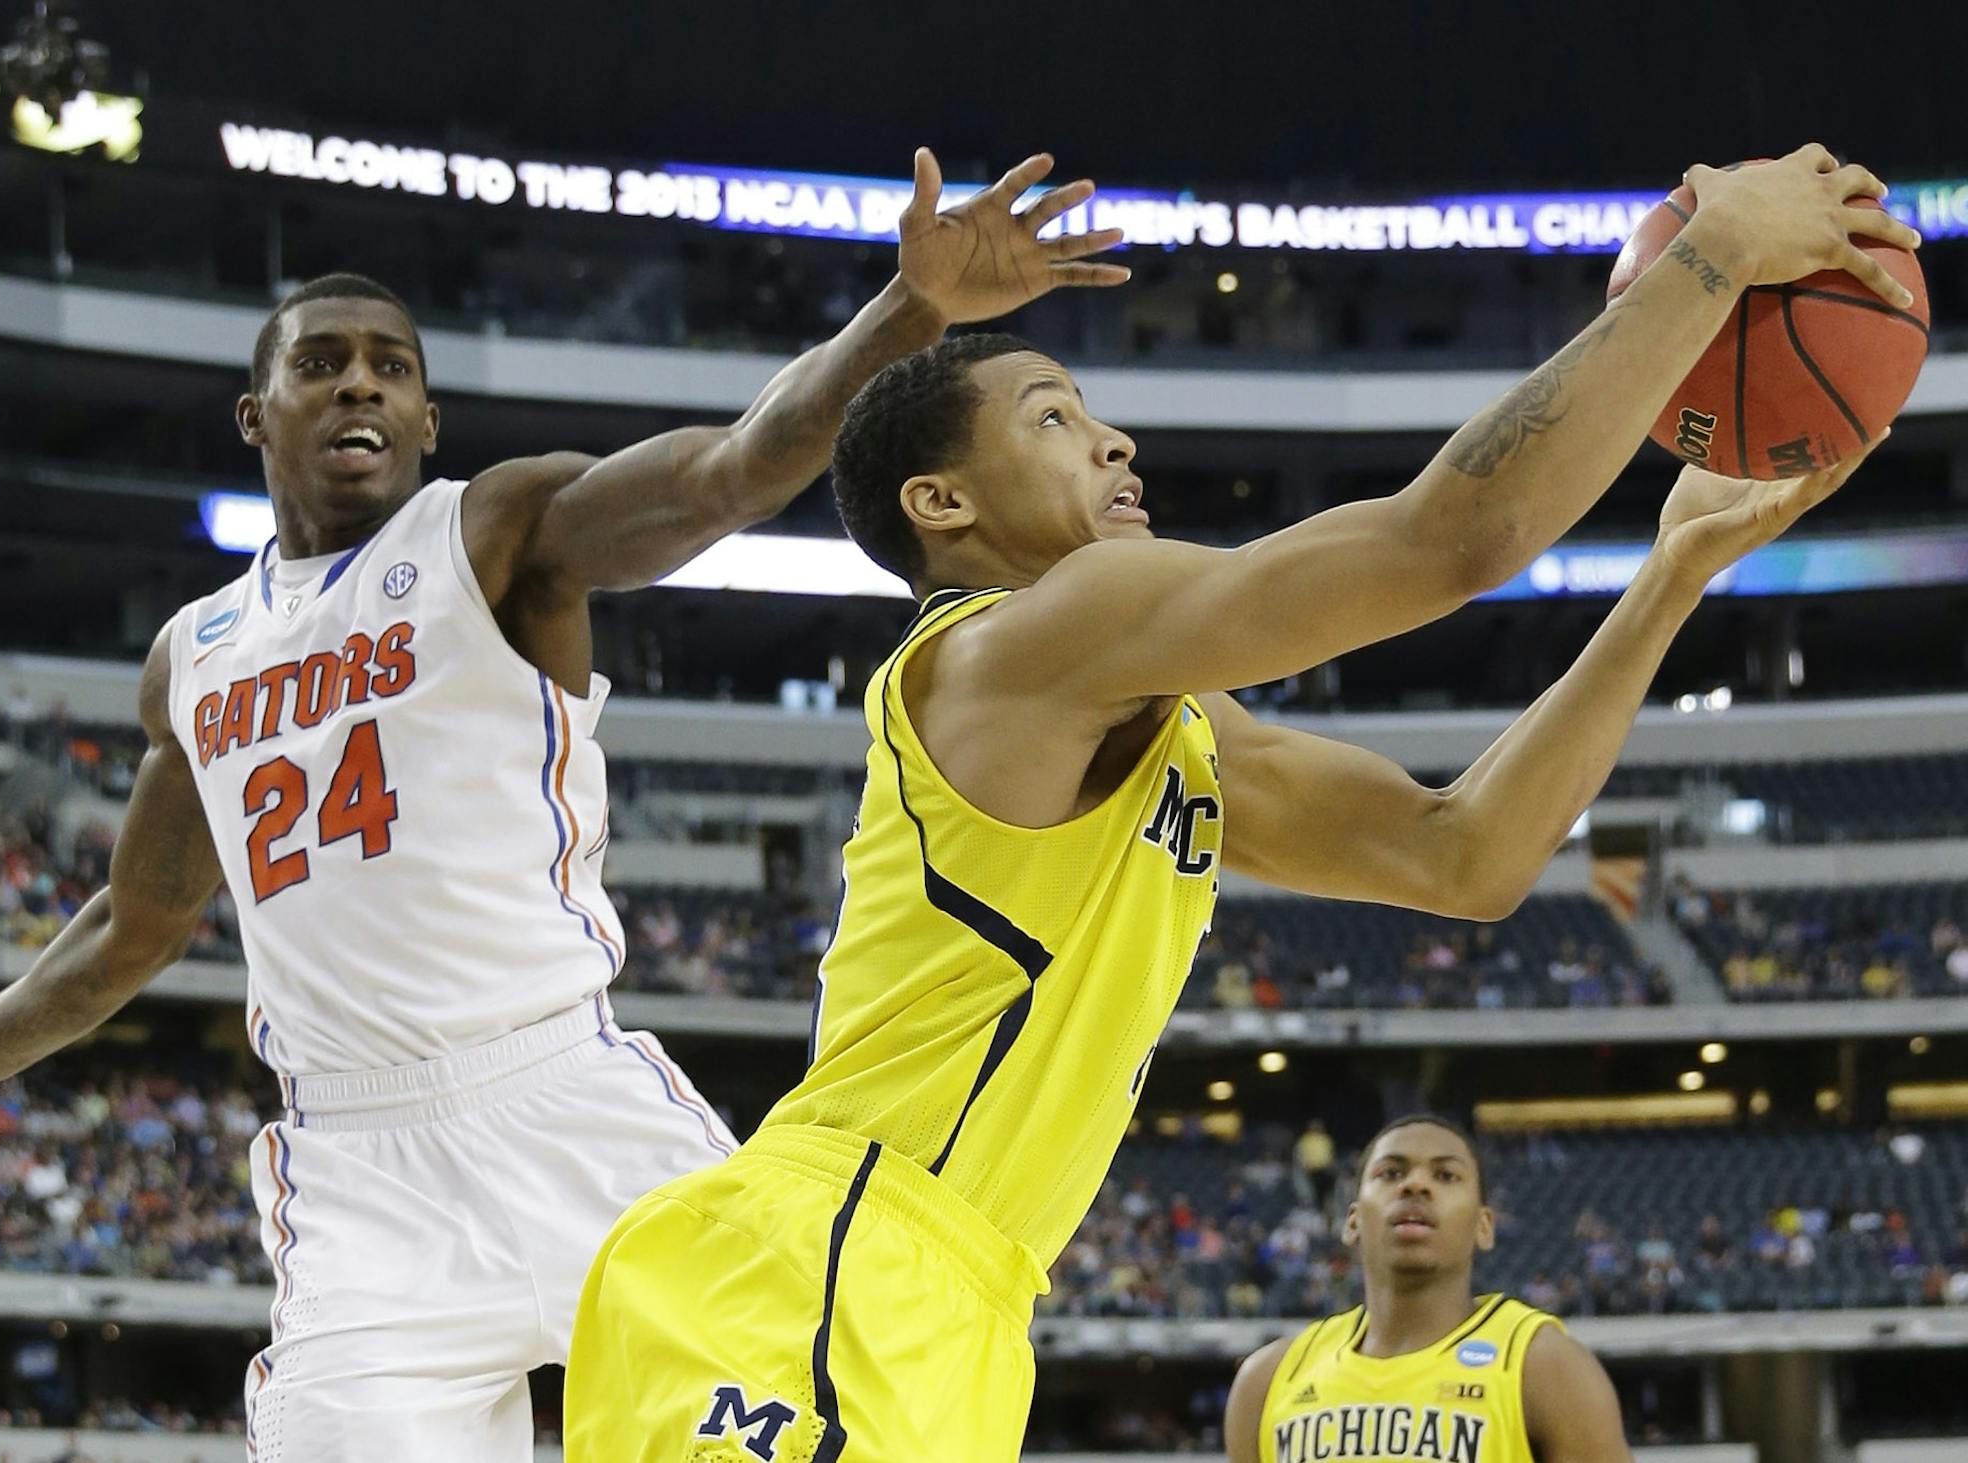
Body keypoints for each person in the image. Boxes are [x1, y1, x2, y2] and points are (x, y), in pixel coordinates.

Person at [559, 145, 1910, 1462]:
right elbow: (1445, 541)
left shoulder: (1171, 731)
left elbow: (1466, 856)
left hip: (954, 1297)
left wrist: (1674, 570)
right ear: (942, 500)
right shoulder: (1014, 641)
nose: (1115, 437)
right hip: (819, 1260)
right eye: (1053, 416)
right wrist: (1713, 257)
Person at [0, 148, 1128, 1460]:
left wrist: (907, 311)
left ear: (428, 421)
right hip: (359, 1174)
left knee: (806, 1419)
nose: (361, 382)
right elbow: (131, 926)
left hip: (568, 1099)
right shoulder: (191, 658)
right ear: (257, 415)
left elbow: (730, 470)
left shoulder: (495, 530)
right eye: (322, 362)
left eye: (391, 365)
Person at [1225, 1117, 1631, 1463]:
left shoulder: (1544, 1368)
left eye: (1446, 1175)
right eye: (1391, 1173)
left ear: (1484, 1226)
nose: (1415, 1185)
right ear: (1352, 1221)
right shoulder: (1267, 1380)